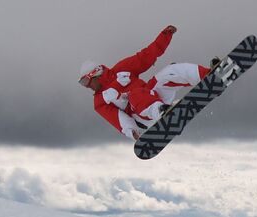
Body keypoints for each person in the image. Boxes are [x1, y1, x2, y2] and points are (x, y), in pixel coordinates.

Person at [78, 25, 212, 141]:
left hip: (153, 97)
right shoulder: (99, 101)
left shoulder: (121, 69)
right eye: (83, 84)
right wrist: (132, 132)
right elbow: (117, 118)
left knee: (170, 71)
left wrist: (165, 35)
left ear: (95, 74)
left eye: (86, 82)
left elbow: (146, 56)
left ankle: (209, 75)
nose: (87, 87)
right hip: (142, 115)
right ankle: (161, 113)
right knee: (135, 94)